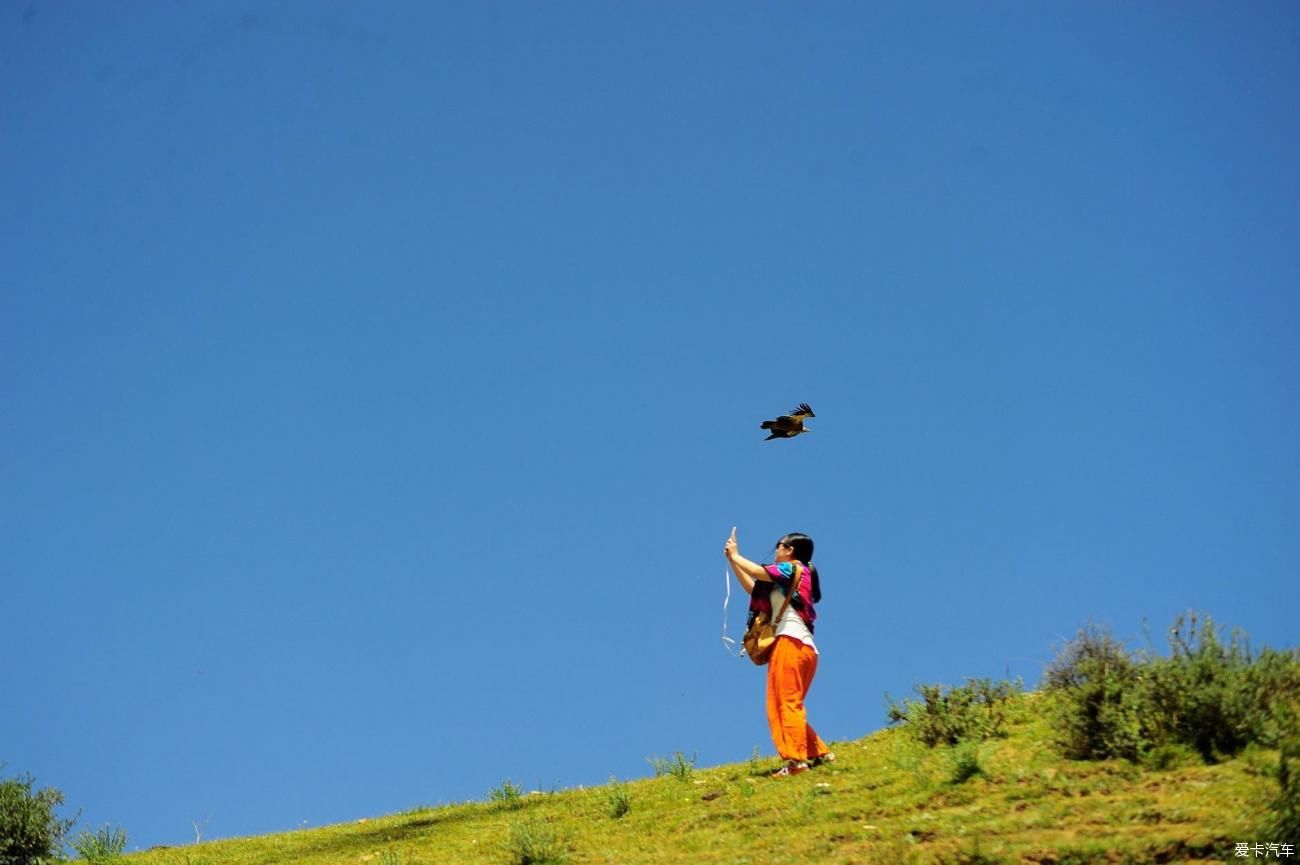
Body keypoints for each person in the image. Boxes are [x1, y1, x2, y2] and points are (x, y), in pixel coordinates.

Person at [724, 528, 834, 777]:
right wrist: (733, 560)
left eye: (779, 545)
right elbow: (753, 587)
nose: (776, 549)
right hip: (799, 647)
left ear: (790, 550)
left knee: (786, 704)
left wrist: (736, 554)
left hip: (791, 643)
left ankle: (797, 761)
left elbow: (756, 571)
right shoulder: (785, 580)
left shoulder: (793, 568)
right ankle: (819, 753)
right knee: (782, 704)